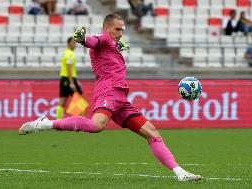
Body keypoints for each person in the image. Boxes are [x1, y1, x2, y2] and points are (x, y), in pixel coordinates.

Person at [18, 14, 202, 182]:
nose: (121, 33)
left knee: (153, 133)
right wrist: (83, 39)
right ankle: (45, 123)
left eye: (123, 29)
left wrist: (117, 46)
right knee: (96, 125)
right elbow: (93, 41)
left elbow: (105, 45)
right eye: (118, 29)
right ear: (107, 28)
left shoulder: (112, 43)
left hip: (122, 98)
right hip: (108, 93)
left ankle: (179, 172)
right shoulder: (104, 38)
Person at [56, 37, 83, 119]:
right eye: (73, 43)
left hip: (64, 78)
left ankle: (58, 122)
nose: (75, 45)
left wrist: (75, 80)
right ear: (68, 44)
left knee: (62, 102)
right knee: (78, 99)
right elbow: (69, 68)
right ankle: (78, 121)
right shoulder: (69, 54)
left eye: (75, 43)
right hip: (68, 79)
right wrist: (72, 82)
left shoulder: (66, 53)